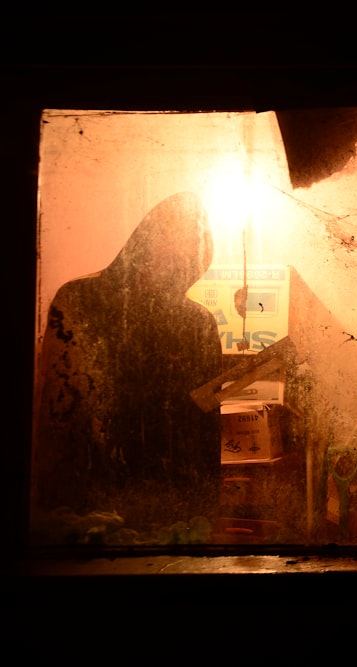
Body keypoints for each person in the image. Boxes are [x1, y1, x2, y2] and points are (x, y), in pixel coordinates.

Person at [33, 192, 223, 538]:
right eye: (168, 248)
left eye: (190, 257)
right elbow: (57, 415)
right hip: (84, 505)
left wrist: (204, 513)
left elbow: (204, 430)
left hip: (170, 508)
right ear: (140, 245)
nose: (177, 264)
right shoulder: (80, 300)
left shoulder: (197, 323)